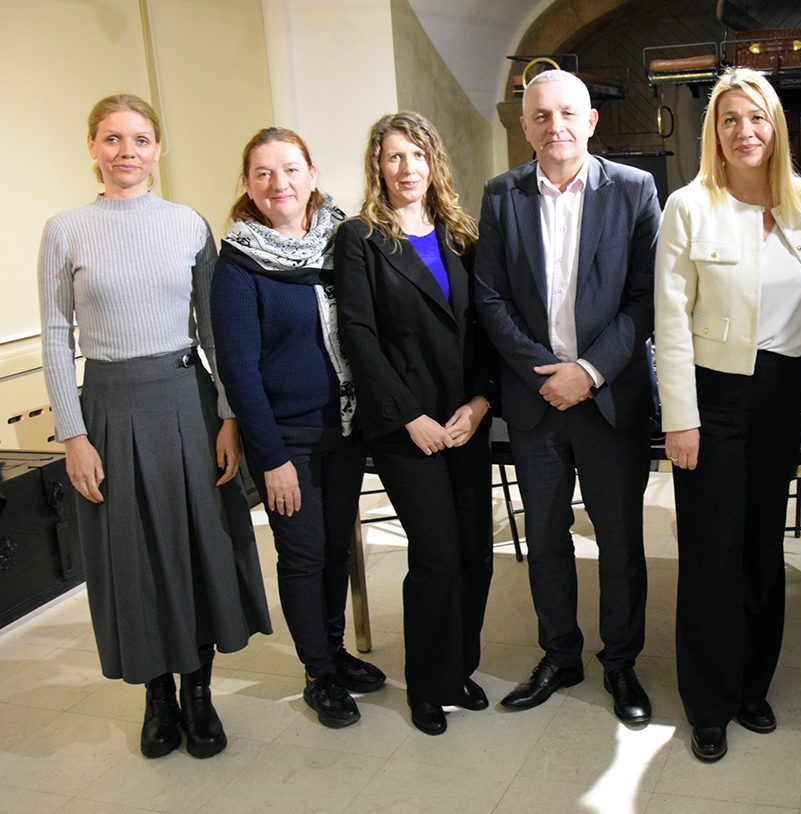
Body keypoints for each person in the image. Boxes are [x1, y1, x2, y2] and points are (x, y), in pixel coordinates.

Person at [37, 94, 271, 759]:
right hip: (108, 409)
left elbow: (216, 333)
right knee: (131, 555)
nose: (127, 152)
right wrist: (73, 435)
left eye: (140, 139)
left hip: (186, 403)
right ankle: (156, 695)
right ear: (92, 147)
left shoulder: (188, 225)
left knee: (198, 546)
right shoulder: (66, 230)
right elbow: (55, 336)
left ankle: (198, 692)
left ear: (159, 148)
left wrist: (228, 415)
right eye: (112, 139)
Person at [474, 69, 660, 726]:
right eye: (541, 115)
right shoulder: (501, 195)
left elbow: (647, 297)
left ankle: (621, 662)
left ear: (591, 121)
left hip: (609, 399)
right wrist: (544, 375)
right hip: (537, 404)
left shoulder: (634, 189)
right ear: (525, 126)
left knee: (619, 539)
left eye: (567, 113)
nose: (555, 126)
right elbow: (489, 298)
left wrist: (590, 370)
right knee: (547, 536)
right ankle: (559, 654)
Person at [655, 67, 801, 762]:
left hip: (783, 394)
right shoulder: (689, 206)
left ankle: (754, 686)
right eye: (730, 119)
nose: (745, 130)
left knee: (761, 547)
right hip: (713, 395)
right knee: (711, 554)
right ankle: (709, 701)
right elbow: (670, 321)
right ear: (714, 133)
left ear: (775, 126)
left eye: (757, 117)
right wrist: (680, 418)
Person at [210, 127, 385, 731]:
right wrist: (273, 458)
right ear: (247, 185)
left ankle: (334, 652)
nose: (278, 183)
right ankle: (318, 674)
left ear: (311, 174)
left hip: (344, 431)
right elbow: (238, 371)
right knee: (305, 556)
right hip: (287, 441)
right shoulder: (239, 263)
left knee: (336, 549)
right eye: (263, 173)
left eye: (289, 169)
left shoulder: (343, 241)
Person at [334, 112, 496, 736]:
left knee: (474, 554)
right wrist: (410, 418)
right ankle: (427, 685)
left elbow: (484, 328)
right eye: (394, 156)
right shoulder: (360, 239)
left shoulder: (461, 234)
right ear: (378, 166)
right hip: (406, 427)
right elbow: (359, 337)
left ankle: (458, 670)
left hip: (463, 420)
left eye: (418, 155)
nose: (407, 168)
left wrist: (480, 403)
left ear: (434, 163)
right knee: (436, 558)